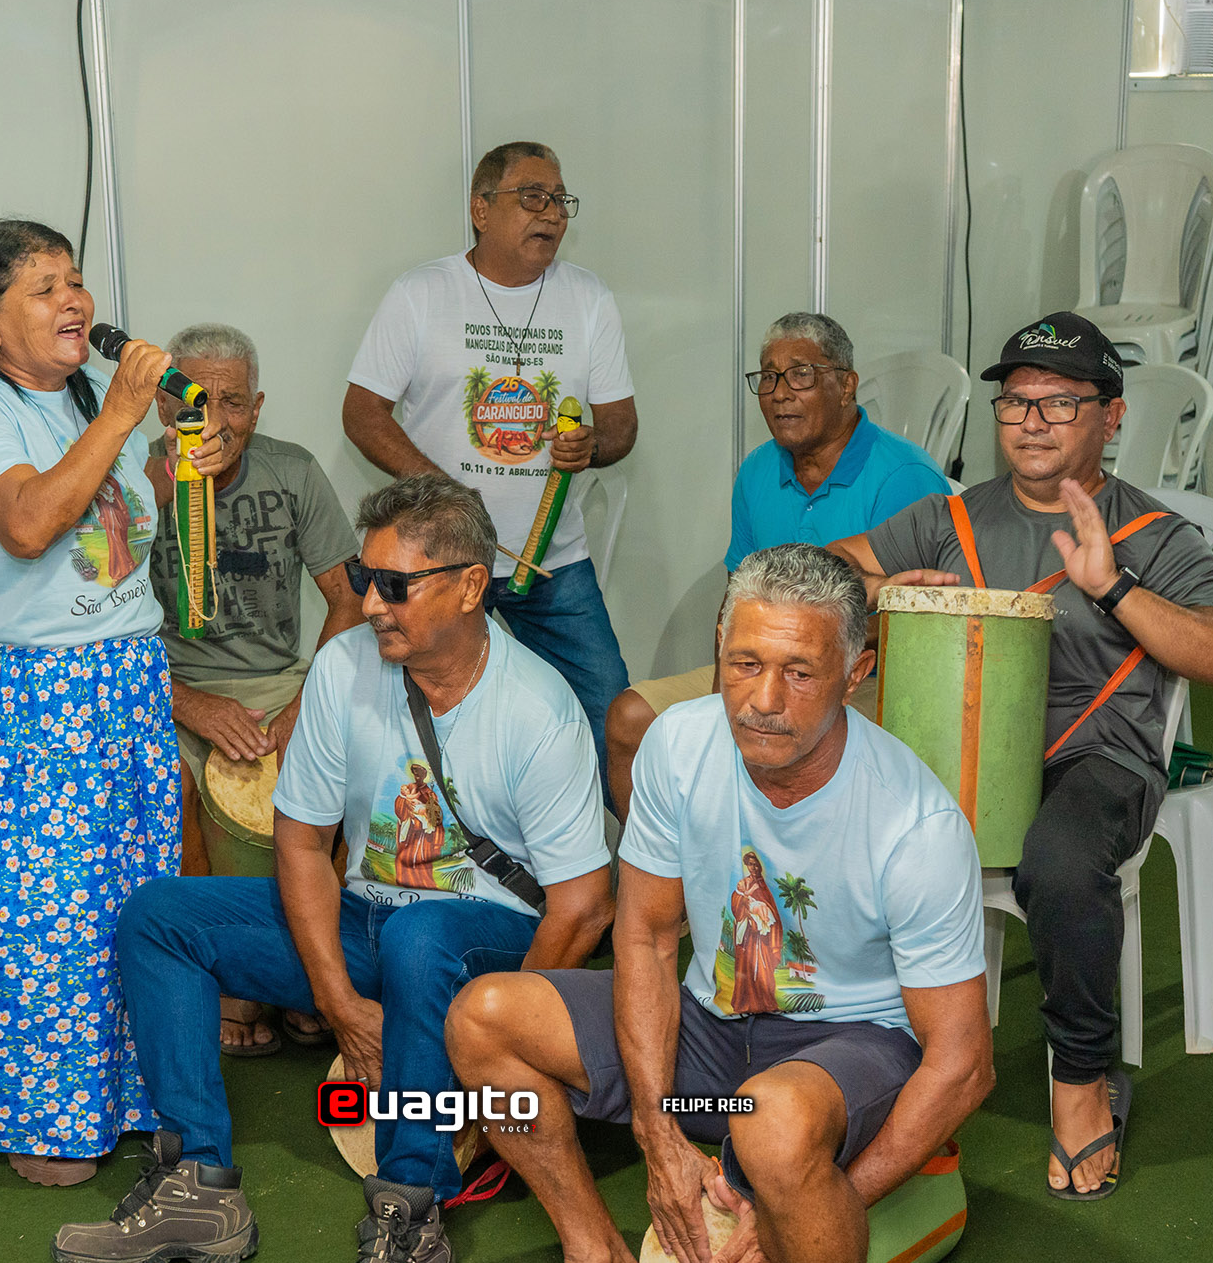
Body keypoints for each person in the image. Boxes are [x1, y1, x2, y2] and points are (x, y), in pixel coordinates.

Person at [53, 476, 615, 1263]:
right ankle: (196, 1183)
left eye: (396, 584)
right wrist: (342, 1006)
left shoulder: (538, 706)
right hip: (370, 920)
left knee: (422, 935)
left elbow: (583, 902)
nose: (370, 601)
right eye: (363, 576)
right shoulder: (344, 668)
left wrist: (502, 1039)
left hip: (489, 936)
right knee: (162, 915)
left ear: (471, 586)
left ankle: (410, 1218)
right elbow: (303, 843)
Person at [446, 544, 993, 1263]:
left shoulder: (915, 824)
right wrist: (659, 1129)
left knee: (770, 1123)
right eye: (745, 663)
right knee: (485, 1016)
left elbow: (963, 1065)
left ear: (856, 672)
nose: (764, 701)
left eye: (800, 672)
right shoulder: (678, 745)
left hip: (847, 1051)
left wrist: (822, 1205)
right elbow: (645, 935)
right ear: (718, 647)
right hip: (712, 1048)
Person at [829, 311, 1213, 1201]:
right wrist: (879, 585)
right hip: (954, 749)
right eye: (1016, 401)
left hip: (1096, 757)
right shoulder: (951, 515)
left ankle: (1083, 1081)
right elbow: (828, 564)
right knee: (823, 809)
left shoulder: (1154, 533)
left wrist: (1115, 587)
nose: (1031, 420)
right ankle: (847, 1047)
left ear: (1112, 416)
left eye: (1060, 402)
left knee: (1059, 861)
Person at [0, 219, 176, 1186]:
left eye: (75, 280)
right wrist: (125, 415)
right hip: (24, 704)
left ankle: (127, 1093)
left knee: (128, 903)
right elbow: (27, 524)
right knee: (39, 916)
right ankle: (41, 1117)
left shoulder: (86, 398)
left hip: (122, 690)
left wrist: (170, 458)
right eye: (44, 287)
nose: (73, 301)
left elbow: (110, 537)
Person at [343, 141, 637, 785]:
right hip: (438, 566)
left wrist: (591, 445)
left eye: (560, 200)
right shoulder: (422, 293)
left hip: (552, 564)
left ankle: (622, 847)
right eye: (533, 197)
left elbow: (621, 428)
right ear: (481, 209)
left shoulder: (588, 298)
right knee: (417, 724)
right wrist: (439, 489)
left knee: (611, 716)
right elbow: (362, 414)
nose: (552, 213)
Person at [606, 312, 948, 814]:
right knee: (629, 719)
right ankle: (666, 862)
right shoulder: (758, 470)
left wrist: (803, 662)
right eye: (768, 376)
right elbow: (736, 598)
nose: (780, 392)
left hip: (867, 678)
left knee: (787, 739)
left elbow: (925, 622)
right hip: (760, 666)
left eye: (801, 374)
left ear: (846, 385)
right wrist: (724, 696)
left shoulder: (904, 476)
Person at [141, 322, 364, 1057]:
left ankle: (309, 971)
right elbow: (97, 626)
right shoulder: (131, 481)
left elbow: (348, 600)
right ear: (162, 407)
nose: (214, 420)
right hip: (169, 682)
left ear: (257, 407)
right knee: (169, 788)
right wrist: (189, 703)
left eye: (232, 401)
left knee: (337, 778)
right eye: (194, 402)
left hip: (281, 680)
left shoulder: (293, 472)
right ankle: (228, 978)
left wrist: (308, 702)